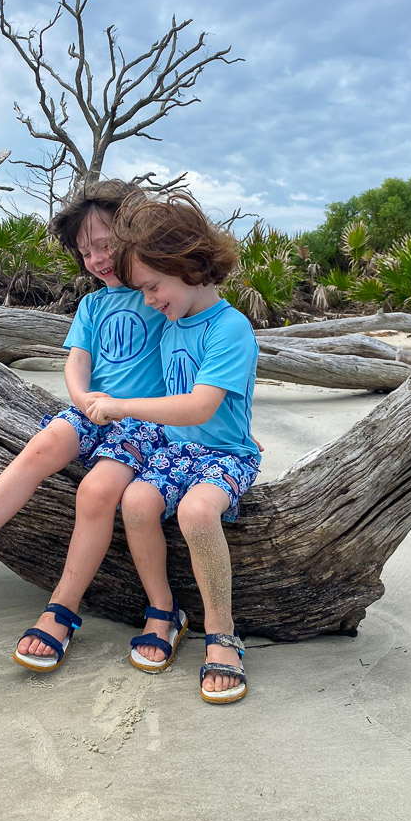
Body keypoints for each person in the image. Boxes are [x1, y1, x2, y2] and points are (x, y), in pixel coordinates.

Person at [0, 179, 168, 672]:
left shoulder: (160, 294)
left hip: (143, 424)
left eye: (106, 245)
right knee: (38, 449)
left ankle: (61, 609)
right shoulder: (92, 305)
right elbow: (77, 362)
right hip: (93, 411)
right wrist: (82, 398)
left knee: (96, 492)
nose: (98, 259)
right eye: (87, 251)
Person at [85, 192, 261, 704]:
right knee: (136, 501)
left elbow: (201, 406)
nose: (147, 299)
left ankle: (221, 631)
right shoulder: (170, 322)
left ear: (186, 262)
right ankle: (163, 610)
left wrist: (121, 406)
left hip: (226, 455)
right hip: (176, 450)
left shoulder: (230, 327)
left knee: (197, 510)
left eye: (152, 285)